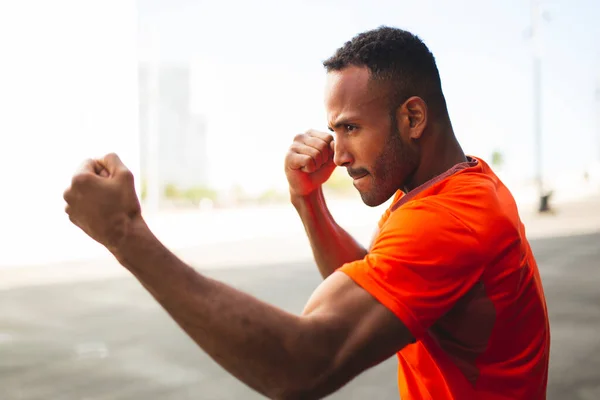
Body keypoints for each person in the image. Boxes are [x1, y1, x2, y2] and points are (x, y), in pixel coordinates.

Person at [63, 26, 550, 399]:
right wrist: (307, 200)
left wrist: (125, 235)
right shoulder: (443, 189)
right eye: (333, 131)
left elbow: (303, 364)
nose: (337, 154)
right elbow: (371, 289)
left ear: (413, 118)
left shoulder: (450, 220)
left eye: (351, 127)